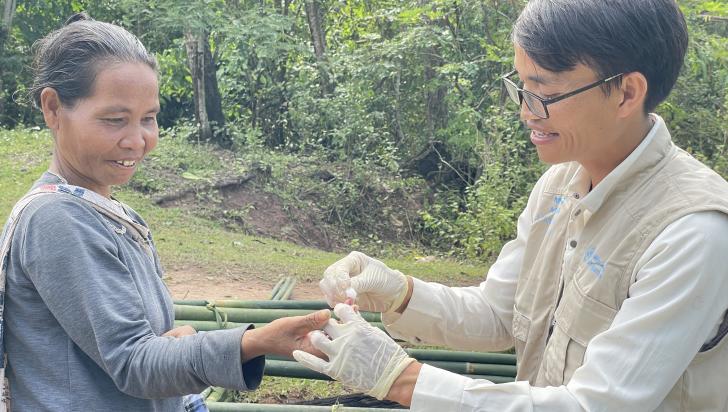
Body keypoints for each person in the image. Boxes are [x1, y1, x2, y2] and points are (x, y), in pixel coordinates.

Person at [293, 0, 728, 410]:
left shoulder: (693, 233)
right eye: (519, 86)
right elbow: (500, 313)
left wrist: (401, 378)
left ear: (627, 93)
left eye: (544, 93)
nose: (525, 111)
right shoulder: (559, 185)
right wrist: (401, 292)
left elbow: (593, 404)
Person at [0, 13, 330, 411]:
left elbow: (136, 347)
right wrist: (255, 341)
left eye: (149, 119)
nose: (138, 140)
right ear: (53, 108)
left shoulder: (105, 212)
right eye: (115, 120)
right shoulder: (58, 220)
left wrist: (173, 340)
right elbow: (135, 364)